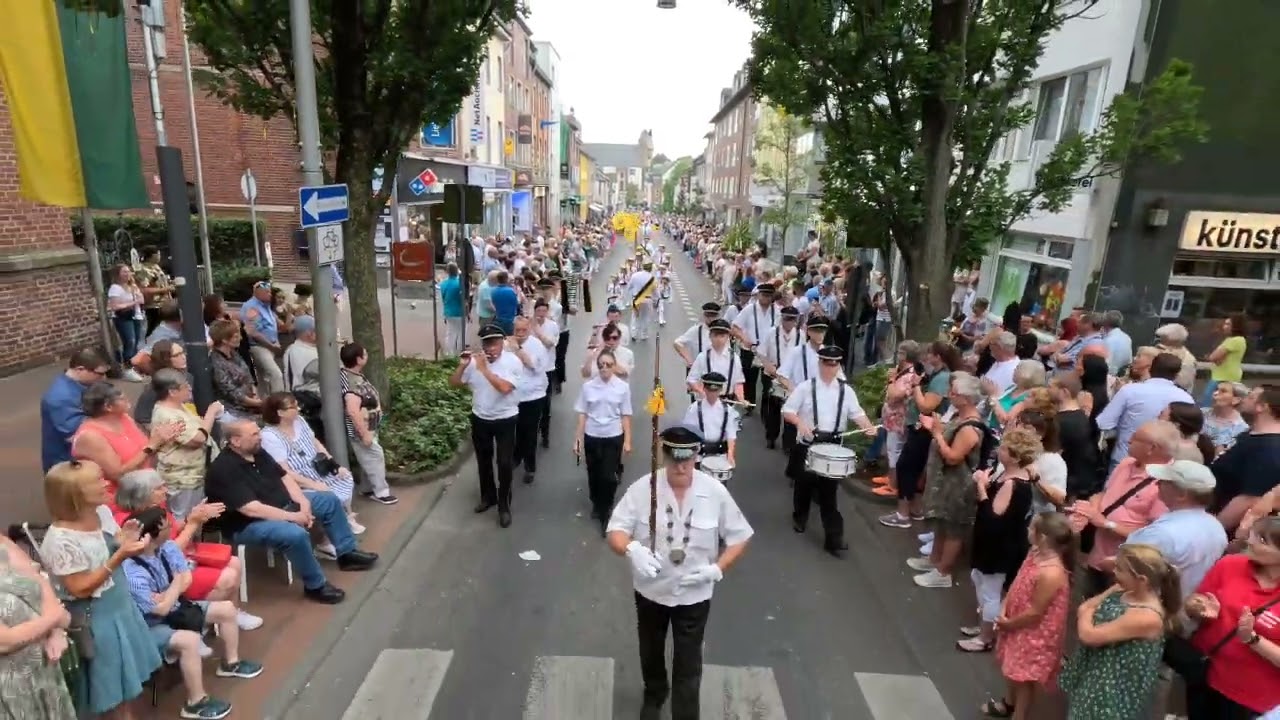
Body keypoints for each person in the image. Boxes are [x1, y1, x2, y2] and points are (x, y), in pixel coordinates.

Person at [605, 426, 753, 720]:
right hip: (651, 591)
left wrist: (717, 568)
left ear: (697, 456)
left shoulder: (714, 492)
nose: (680, 466)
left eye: (687, 458)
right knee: (651, 650)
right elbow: (615, 531)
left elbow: (740, 536)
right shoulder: (643, 489)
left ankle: (685, 713)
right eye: (674, 458)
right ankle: (655, 693)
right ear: (664, 455)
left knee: (688, 661)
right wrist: (631, 549)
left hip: (694, 594)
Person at [203, 420, 377, 605]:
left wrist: (303, 503)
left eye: (258, 432)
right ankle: (315, 585)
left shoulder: (258, 453)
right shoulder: (224, 469)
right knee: (295, 534)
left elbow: (284, 476)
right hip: (249, 524)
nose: (260, 437)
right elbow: (251, 509)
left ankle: (347, 554)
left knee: (328, 500)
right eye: (254, 434)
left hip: (284, 505)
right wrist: (294, 517)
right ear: (236, 441)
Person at [39, 459, 163, 718]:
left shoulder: (102, 514)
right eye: (97, 481)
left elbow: (103, 549)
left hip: (121, 608)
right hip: (98, 621)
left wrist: (121, 542)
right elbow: (80, 589)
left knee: (126, 690)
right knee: (111, 694)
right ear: (76, 494)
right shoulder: (60, 540)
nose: (106, 483)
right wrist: (118, 556)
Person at [781, 345, 877, 557]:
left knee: (829, 494)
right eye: (826, 363)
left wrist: (867, 427)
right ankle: (800, 517)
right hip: (808, 443)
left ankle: (834, 539)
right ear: (820, 363)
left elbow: (857, 414)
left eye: (834, 364)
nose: (830, 368)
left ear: (838, 366)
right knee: (804, 484)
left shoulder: (846, 391)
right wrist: (799, 423)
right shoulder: (806, 387)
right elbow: (787, 410)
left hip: (833, 446)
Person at [448, 324, 523, 528]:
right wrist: (463, 365)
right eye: (487, 344)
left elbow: (505, 388)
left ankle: (504, 505)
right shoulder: (474, 363)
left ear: (502, 343)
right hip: (481, 418)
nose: (490, 348)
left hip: (505, 418)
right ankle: (488, 496)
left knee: (504, 463)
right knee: (483, 460)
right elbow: (454, 383)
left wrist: (484, 370)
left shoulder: (513, 362)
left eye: (494, 343)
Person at [0, 534, 77, 719]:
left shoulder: (2, 543)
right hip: (9, 686)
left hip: (44, 668)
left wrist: (56, 632)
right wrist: (55, 619)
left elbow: (39, 581)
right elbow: (4, 642)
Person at [573, 348, 633, 535]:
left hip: (613, 435)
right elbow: (583, 414)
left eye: (608, 365)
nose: (604, 368)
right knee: (594, 473)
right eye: (601, 365)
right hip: (592, 435)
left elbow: (625, 414)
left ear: (614, 366)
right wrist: (577, 439)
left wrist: (628, 440)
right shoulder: (588, 387)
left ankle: (606, 509)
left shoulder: (622, 388)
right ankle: (596, 501)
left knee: (609, 476)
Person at [340, 343, 398, 506]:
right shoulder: (352, 383)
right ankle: (381, 492)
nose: (367, 356)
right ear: (358, 359)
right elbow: (353, 411)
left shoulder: (353, 375)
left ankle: (367, 488)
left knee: (367, 459)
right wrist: (364, 433)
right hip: (362, 430)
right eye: (364, 354)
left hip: (369, 426)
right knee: (375, 456)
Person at [41, 348, 113, 472]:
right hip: (69, 466)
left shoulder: (81, 386)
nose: (104, 378)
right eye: (100, 374)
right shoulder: (61, 398)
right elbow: (78, 435)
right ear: (80, 369)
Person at [509, 317, 552, 485]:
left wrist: (518, 349)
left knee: (530, 432)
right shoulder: (508, 344)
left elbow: (533, 365)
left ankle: (530, 467)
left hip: (534, 396)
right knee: (517, 430)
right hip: (514, 396)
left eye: (523, 330)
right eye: (517, 330)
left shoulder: (536, 345)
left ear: (529, 329)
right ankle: (517, 456)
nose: (520, 334)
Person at [680, 372, 739, 470]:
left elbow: (731, 435)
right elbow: (688, 432)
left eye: (715, 391)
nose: (712, 394)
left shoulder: (728, 411)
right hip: (699, 455)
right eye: (709, 390)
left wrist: (730, 454)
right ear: (704, 388)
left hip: (720, 455)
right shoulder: (694, 408)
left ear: (720, 390)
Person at [686, 319, 746, 402]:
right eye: (715, 335)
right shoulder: (702, 357)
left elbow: (738, 382)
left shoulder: (734, 358)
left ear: (728, 337)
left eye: (722, 336)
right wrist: (701, 392)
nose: (718, 339)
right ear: (710, 336)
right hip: (706, 401)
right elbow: (691, 380)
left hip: (727, 401)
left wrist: (741, 398)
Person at [439, 263, 465, 356]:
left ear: (447, 272)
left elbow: (443, 298)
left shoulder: (443, 284)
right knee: (461, 333)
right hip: (460, 311)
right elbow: (463, 298)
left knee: (450, 333)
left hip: (449, 311)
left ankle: (449, 353)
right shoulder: (459, 283)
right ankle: (460, 353)